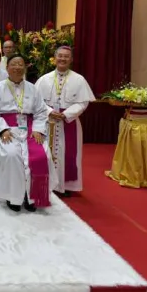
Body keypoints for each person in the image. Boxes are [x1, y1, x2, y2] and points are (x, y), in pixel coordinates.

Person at [0, 54, 58, 212]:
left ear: (24, 68)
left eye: (20, 64)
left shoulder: (33, 88)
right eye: (14, 64)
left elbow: (40, 112)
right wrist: (3, 128)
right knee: (12, 155)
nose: (17, 67)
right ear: (7, 68)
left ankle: (33, 196)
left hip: (30, 130)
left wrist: (39, 129)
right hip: (9, 130)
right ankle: (14, 197)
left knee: (42, 154)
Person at [35, 46, 95, 196]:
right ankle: (47, 183)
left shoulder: (79, 79)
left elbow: (83, 102)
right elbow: (37, 101)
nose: (62, 59)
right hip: (49, 121)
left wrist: (67, 114)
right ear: (54, 58)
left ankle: (66, 186)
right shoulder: (44, 79)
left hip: (69, 122)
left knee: (67, 154)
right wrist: (49, 111)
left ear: (71, 59)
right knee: (46, 152)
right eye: (60, 56)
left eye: (66, 56)